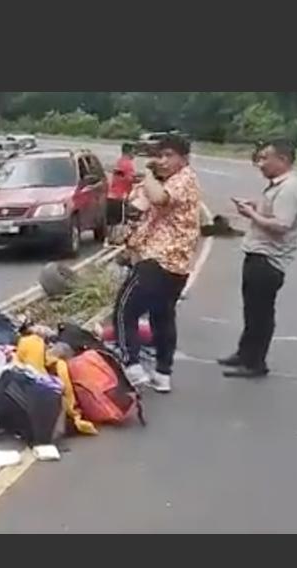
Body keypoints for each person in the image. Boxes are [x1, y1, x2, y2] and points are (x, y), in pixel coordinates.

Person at [112, 134, 202, 393]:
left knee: (124, 310)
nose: (161, 161)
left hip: (160, 260)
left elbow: (160, 198)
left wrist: (148, 175)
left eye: (168, 156)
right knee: (161, 317)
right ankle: (163, 374)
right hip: (172, 263)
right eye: (158, 156)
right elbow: (141, 210)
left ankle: (132, 365)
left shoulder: (185, 178)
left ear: (183, 159)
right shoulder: (170, 180)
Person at [219, 139, 297, 379]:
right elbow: (273, 210)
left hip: (268, 259)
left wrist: (251, 214)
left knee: (260, 313)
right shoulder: (276, 185)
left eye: (266, 158)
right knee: (251, 310)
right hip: (258, 254)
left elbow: (281, 225)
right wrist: (254, 206)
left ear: (283, 160)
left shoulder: (290, 187)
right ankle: (244, 353)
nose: (261, 163)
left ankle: (255, 362)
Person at [106, 143, 137, 240]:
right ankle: (118, 239)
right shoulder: (128, 164)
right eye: (133, 152)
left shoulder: (119, 162)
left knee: (112, 221)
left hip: (112, 195)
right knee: (121, 221)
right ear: (129, 152)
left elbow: (120, 176)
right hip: (121, 196)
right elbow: (130, 179)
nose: (134, 154)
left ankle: (109, 239)